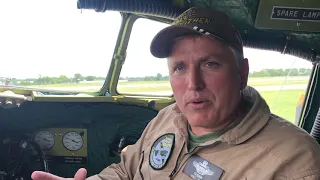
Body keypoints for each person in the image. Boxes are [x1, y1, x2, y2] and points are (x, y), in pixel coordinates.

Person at [31, 7, 320, 180]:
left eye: (210, 64)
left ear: (242, 73)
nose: (193, 83)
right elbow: (127, 171)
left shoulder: (295, 160)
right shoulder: (169, 117)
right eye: (180, 68)